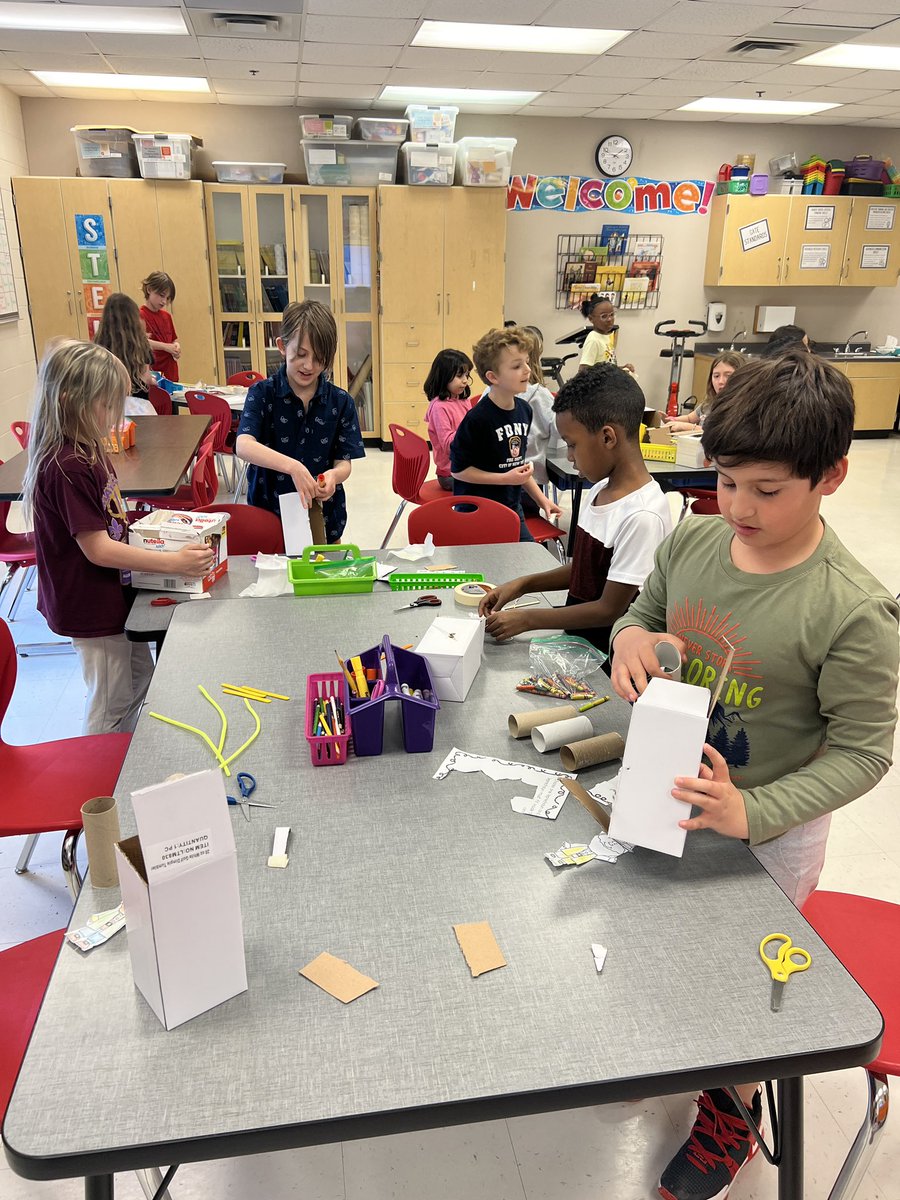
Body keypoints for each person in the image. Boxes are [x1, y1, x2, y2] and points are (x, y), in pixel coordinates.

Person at [608, 350, 899, 1200]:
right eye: (726, 481)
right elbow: (645, 615)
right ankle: (670, 1046)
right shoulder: (696, 537)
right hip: (667, 790)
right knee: (664, 943)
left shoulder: (852, 610)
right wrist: (630, 637)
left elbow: (864, 753)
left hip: (766, 831)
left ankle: (733, 1113)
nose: (738, 507)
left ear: (832, 477)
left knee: (737, 983)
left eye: (766, 491)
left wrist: (754, 809)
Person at [22, 340, 215, 735]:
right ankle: (100, 779)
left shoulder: (87, 447)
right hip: (89, 605)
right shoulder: (66, 464)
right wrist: (173, 564)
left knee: (140, 681)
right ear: (69, 399)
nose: (115, 416)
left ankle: (120, 755)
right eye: (107, 404)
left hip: (111, 597)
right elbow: (97, 548)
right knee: (109, 700)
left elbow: (110, 519)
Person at [478, 363, 672, 652]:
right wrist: (522, 584)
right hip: (580, 645)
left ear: (608, 437)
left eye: (572, 444)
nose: (569, 457)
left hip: (610, 659)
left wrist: (528, 619)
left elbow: (609, 610)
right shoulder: (600, 490)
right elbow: (585, 570)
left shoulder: (642, 516)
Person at [235, 300, 365, 545]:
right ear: (282, 346)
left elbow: (344, 462)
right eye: (301, 355)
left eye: (319, 359)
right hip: (269, 511)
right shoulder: (262, 393)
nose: (309, 366)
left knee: (324, 574)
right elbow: (243, 445)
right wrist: (293, 467)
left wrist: (334, 476)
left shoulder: (341, 402)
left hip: (323, 514)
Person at [450, 325, 561, 542]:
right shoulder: (477, 419)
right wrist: (504, 478)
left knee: (526, 558)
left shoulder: (524, 410)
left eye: (527, 362)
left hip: (511, 507)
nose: (527, 370)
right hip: (476, 512)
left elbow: (516, 467)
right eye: (517, 366)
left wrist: (542, 501)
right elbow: (458, 471)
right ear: (493, 377)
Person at [93, 293, 155, 410]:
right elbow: (146, 378)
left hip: (109, 409)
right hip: (139, 409)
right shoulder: (140, 345)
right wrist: (152, 380)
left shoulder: (99, 346)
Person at [423, 348, 474, 491]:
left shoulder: (463, 400)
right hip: (451, 474)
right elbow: (449, 445)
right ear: (444, 376)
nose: (465, 380)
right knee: (491, 485)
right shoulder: (439, 407)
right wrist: (473, 432)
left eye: (467, 375)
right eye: (459, 375)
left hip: (467, 467)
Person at [665, 350, 746, 433]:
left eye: (728, 376)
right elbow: (689, 418)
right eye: (716, 376)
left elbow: (718, 434)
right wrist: (671, 420)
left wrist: (688, 427)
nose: (721, 381)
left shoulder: (742, 407)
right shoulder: (709, 403)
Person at [578, 295, 635, 374]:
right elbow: (583, 371)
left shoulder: (607, 336)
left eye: (612, 315)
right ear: (591, 319)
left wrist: (622, 369)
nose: (609, 319)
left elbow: (608, 367)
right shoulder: (593, 340)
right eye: (604, 316)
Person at [140, 271, 180, 382]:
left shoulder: (166, 316)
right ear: (149, 290)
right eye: (161, 296)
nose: (164, 301)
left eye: (167, 298)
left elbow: (173, 340)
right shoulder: (140, 315)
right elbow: (141, 342)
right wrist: (166, 347)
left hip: (170, 372)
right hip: (153, 373)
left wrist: (176, 347)